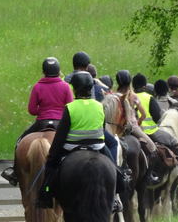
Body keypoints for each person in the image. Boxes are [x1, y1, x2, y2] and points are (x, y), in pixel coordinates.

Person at [35, 72, 129, 211]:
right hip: (97, 145)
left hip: (71, 146)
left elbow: (61, 134)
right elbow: (102, 129)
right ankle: (116, 193)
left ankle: (45, 195)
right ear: (90, 88)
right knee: (114, 168)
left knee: (50, 167)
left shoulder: (70, 107)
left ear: (74, 89)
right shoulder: (98, 106)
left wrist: (52, 153)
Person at [1, 57, 72, 186]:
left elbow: (32, 110)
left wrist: (44, 110)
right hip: (60, 123)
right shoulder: (65, 86)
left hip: (41, 122)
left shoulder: (37, 86)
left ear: (43, 72)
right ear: (59, 71)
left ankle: (15, 173)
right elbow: (70, 108)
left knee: (19, 141)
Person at [132, 73, 178, 184]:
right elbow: (157, 116)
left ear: (133, 86)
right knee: (174, 141)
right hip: (150, 131)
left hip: (132, 132)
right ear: (145, 86)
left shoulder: (129, 96)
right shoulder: (149, 98)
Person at [62, 52, 119, 161]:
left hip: (69, 122)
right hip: (92, 129)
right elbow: (92, 101)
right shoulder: (89, 81)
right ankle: (117, 170)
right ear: (87, 66)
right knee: (113, 143)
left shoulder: (63, 80)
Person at [114, 70, 160, 184]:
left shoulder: (115, 96)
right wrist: (138, 123)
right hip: (133, 127)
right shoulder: (133, 96)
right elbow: (143, 114)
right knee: (153, 148)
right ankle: (149, 175)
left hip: (118, 128)